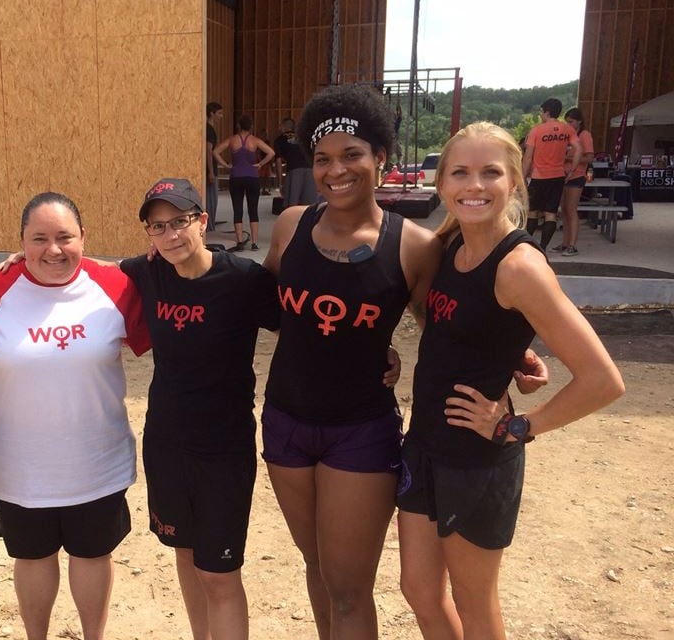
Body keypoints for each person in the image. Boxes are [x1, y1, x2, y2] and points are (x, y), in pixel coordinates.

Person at [396, 122, 625, 640]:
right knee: (418, 590)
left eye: (490, 173)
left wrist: (520, 427)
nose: (474, 185)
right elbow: (438, 316)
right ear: (441, 184)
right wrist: (508, 348)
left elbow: (603, 380)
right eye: (460, 172)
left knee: (474, 604)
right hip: (425, 444)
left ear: (515, 182)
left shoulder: (520, 266)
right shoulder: (450, 242)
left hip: (477, 462)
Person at [259, 83, 444, 639]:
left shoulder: (413, 245)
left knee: (348, 586)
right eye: (322, 159)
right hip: (285, 421)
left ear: (380, 158)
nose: (336, 170)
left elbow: (448, 330)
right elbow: (261, 302)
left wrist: (511, 357)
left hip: (359, 431)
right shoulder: (291, 224)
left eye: (351, 155)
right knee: (316, 565)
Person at [0, 192, 150, 640]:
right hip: (22, 467)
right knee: (32, 558)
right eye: (40, 239)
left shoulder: (116, 286)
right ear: (21, 242)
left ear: (84, 237)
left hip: (96, 461)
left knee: (92, 555)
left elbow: (171, 312)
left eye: (65, 237)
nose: (54, 250)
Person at [120, 178, 281, 640]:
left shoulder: (244, 281)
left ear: (203, 221)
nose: (171, 235)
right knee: (186, 555)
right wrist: (19, 263)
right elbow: (81, 271)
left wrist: (380, 354)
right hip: (167, 445)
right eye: (158, 227)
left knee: (220, 573)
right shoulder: (147, 273)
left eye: (180, 222)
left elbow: (305, 330)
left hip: (223, 450)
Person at [522, 98, 581, 250]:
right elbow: (579, 149)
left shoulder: (536, 130)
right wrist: (572, 169)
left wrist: (522, 176)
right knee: (551, 214)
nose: (541, 115)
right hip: (558, 176)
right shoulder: (567, 129)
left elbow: (528, 156)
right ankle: (543, 247)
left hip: (539, 176)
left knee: (533, 212)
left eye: (542, 112)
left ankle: (529, 246)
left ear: (547, 112)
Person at [213, 114, 276, 252]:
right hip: (252, 177)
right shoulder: (255, 140)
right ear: (251, 127)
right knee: (253, 210)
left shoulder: (232, 140)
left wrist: (226, 165)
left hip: (236, 177)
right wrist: (260, 164)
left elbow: (216, 152)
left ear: (238, 126)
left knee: (237, 209)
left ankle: (240, 242)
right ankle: (254, 242)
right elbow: (271, 152)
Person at [551, 107, 595, 256]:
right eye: (567, 121)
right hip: (563, 175)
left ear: (579, 121)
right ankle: (565, 243)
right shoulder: (568, 135)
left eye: (571, 122)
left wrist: (570, 158)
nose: (568, 124)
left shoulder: (584, 135)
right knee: (564, 210)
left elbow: (589, 158)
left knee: (571, 209)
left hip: (577, 175)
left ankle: (572, 245)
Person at [274, 117, 318, 207]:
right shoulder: (304, 137)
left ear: (283, 127)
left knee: (292, 204)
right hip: (310, 170)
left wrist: (280, 182)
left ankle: (294, 220)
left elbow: (278, 161)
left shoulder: (279, 140)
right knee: (309, 205)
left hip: (294, 171)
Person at [206, 102, 224, 231]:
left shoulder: (209, 129)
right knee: (211, 200)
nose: (221, 117)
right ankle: (209, 227)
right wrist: (211, 172)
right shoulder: (209, 130)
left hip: (211, 169)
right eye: (219, 113)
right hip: (210, 170)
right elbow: (209, 150)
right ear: (212, 113)